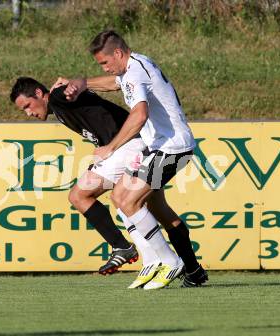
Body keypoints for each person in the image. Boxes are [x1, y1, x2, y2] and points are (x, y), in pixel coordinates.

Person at [57, 30, 208, 288]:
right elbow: (114, 83)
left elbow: (139, 115)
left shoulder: (136, 72)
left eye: (105, 63)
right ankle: (192, 271)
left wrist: (111, 147)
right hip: (160, 148)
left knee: (127, 199)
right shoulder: (134, 66)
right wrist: (82, 83)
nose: (104, 68)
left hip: (171, 149)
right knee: (139, 204)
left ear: (118, 53)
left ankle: (169, 262)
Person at [10, 77, 181, 288]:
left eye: (27, 106)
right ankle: (156, 261)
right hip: (128, 144)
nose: (29, 113)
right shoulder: (58, 106)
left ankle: (126, 248)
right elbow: (97, 114)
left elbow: (74, 91)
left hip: (129, 144)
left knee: (79, 195)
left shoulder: (56, 98)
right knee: (125, 204)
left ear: (38, 93)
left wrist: (71, 86)